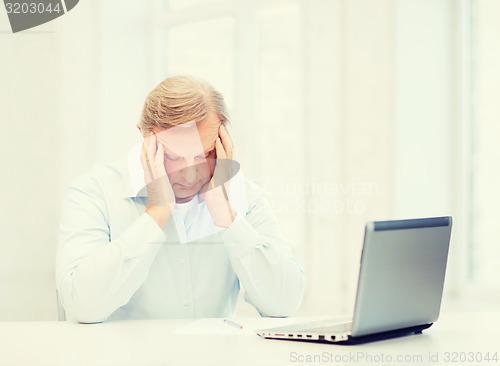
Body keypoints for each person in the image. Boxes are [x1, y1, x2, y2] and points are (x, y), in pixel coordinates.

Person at [56, 76, 306, 323]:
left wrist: (227, 215)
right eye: (173, 157)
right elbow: (82, 306)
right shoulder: (94, 192)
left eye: (203, 155)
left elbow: (284, 303)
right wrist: (156, 213)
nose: (188, 176)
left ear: (223, 141)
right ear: (145, 138)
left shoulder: (246, 197)